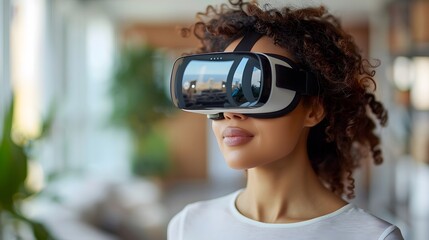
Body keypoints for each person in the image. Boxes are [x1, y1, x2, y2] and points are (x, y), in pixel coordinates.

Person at [167, 1, 404, 239]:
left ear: (312, 110)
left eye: (254, 88)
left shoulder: (373, 237)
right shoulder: (188, 226)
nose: (230, 113)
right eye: (221, 93)